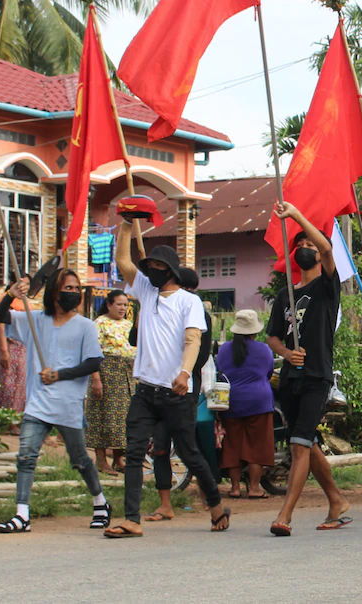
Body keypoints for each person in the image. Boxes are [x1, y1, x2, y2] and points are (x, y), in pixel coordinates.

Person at [105, 221, 229, 538]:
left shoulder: (189, 301)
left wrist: (185, 372)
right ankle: (131, 519)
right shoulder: (146, 291)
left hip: (177, 392)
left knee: (189, 453)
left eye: (158, 267)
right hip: (145, 390)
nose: (152, 271)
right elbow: (122, 261)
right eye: (149, 266)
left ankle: (215, 505)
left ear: (171, 271)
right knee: (135, 453)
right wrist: (126, 227)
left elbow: (193, 340)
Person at [0, 270, 108, 534]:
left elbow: (94, 362)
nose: (74, 293)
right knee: (26, 455)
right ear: (55, 292)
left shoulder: (85, 326)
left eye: (76, 288)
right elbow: (1, 316)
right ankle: (22, 514)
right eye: (69, 288)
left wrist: (59, 375)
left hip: (68, 403)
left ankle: (100, 502)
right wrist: (10, 295)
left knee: (80, 459)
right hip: (38, 403)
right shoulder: (35, 320)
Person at [264, 203, 351, 535]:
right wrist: (287, 353)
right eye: (299, 244)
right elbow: (272, 336)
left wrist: (297, 217)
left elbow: (328, 249)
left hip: (316, 376)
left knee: (299, 445)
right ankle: (337, 500)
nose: (304, 248)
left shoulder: (327, 288)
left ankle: (284, 515)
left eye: (309, 244)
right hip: (289, 379)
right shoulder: (284, 294)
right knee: (307, 442)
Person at [144, 267, 215, 523]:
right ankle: (165, 504)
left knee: (188, 447)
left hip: (185, 388)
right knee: (160, 446)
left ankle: (211, 498)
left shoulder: (195, 310)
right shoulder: (154, 309)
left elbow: (201, 351)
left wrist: (184, 373)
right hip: (158, 386)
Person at [216, 310, 276, 499]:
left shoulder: (223, 350)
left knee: (232, 445)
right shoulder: (264, 350)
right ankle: (254, 488)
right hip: (259, 402)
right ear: (254, 331)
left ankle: (235, 488)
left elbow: (220, 372)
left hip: (230, 402)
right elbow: (269, 373)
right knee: (257, 446)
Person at [85, 290, 135, 475]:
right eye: (119, 304)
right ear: (109, 304)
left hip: (126, 375)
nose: (122, 308)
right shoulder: (99, 323)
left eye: (125, 305)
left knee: (122, 419)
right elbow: (92, 352)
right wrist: (96, 379)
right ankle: (101, 460)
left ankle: (118, 459)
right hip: (106, 373)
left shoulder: (128, 325)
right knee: (102, 416)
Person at [0, 300, 28, 434]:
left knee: (21, 384)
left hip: (21, 346)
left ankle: (17, 420)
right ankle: (7, 421)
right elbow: (0, 325)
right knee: (7, 383)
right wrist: (4, 350)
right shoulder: (6, 299)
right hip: (8, 345)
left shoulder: (25, 301)